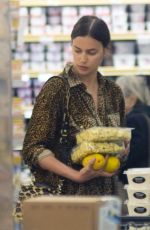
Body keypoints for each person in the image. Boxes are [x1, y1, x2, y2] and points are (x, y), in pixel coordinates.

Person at [14, 15, 129, 220]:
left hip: (107, 205)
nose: (83, 59)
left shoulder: (114, 93)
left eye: (91, 52)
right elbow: (33, 148)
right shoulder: (57, 88)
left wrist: (120, 153)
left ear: (106, 51)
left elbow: (118, 145)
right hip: (65, 202)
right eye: (77, 50)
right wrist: (76, 174)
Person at [116, 76, 150, 183]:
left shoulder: (134, 119)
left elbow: (135, 153)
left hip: (137, 180)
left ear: (132, 97)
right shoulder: (145, 113)